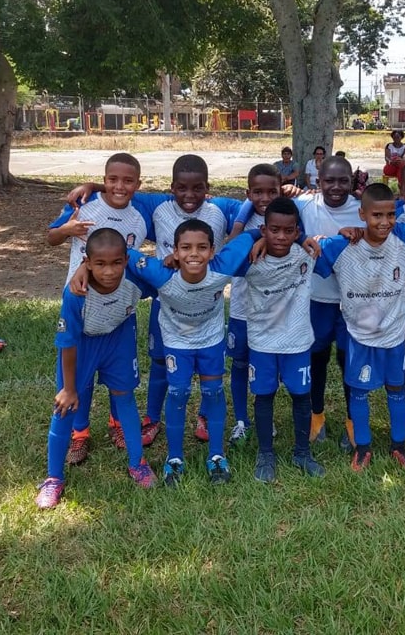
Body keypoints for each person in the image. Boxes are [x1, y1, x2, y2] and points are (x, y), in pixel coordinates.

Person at [67, 155, 243, 447]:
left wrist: (245, 234)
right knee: (161, 360)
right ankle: (151, 418)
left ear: (207, 187)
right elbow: (123, 189)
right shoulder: (157, 206)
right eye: (181, 189)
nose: (189, 196)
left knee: (208, 365)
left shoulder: (221, 208)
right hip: (168, 300)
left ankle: (203, 415)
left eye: (198, 188)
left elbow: (258, 206)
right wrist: (93, 184)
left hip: (206, 304)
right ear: (172, 187)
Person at [124, 219, 258, 486]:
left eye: (202, 248)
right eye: (185, 247)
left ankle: (217, 455)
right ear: (174, 251)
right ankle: (174, 458)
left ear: (212, 251)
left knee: (213, 392)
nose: (194, 254)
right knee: (178, 392)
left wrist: (261, 237)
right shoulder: (160, 273)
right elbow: (120, 251)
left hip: (210, 340)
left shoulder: (224, 266)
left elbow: (251, 234)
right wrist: (84, 266)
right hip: (176, 342)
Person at [314, 182, 405, 475]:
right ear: (362, 215)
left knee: (396, 388)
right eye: (377, 215)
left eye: (390, 214)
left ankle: (398, 446)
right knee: (359, 391)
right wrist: (315, 237)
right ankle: (362, 447)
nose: (385, 222)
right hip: (359, 336)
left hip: (394, 335)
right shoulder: (342, 246)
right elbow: (305, 247)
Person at [35, 228, 156, 510]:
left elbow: (163, 277)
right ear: (87, 263)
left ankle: (137, 463)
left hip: (119, 338)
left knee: (125, 398)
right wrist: (68, 387)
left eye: (116, 263)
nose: (109, 271)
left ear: (126, 261)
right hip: (84, 344)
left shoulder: (135, 277)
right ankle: (54, 478)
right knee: (66, 407)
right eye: (100, 264)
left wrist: (172, 263)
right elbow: (68, 341)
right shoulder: (76, 293)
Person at [46, 153, 154, 465]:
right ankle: (79, 434)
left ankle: (116, 425)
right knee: (80, 380)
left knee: (118, 379)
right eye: (112, 180)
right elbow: (51, 237)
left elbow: (177, 199)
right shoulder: (84, 204)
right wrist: (68, 229)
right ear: (104, 180)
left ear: (137, 184)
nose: (120, 186)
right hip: (82, 302)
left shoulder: (140, 213)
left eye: (128, 181)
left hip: (120, 308)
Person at [234, 197, 325, 483]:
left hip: (297, 342)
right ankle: (266, 453)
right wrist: (251, 237)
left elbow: (349, 238)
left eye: (289, 231)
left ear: (298, 232)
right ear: (264, 230)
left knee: (301, 396)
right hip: (262, 343)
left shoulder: (307, 254)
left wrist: (308, 238)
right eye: (274, 230)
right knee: (264, 396)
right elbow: (224, 249)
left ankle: (302, 452)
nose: (281, 237)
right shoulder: (249, 259)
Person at [223, 163, 283, 448]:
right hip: (242, 308)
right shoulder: (242, 219)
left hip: (273, 310)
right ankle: (241, 420)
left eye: (272, 191)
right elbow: (230, 250)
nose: (265, 197)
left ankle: (263, 417)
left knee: (264, 364)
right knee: (240, 362)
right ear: (248, 193)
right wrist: (247, 230)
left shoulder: (286, 218)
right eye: (257, 192)